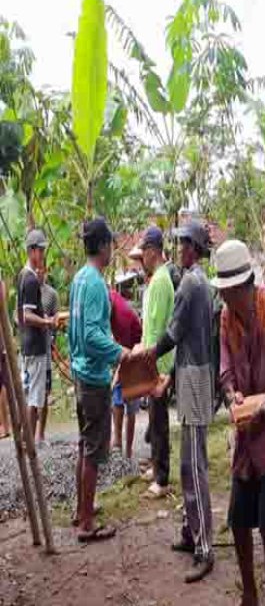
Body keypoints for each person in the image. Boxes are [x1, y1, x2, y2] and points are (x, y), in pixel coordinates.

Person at [214, 240, 265, 606]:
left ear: (242, 286)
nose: (226, 300)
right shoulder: (226, 318)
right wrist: (231, 390)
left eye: (229, 293)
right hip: (246, 433)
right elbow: (226, 366)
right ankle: (250, 592)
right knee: (239, 520)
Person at [134, 220, 215, 583]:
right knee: (187, 461)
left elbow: (172, 333)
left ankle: (204, 548)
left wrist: (150, 353)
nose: (180, 248)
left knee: (193, 464)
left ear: (196, 249)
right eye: (179, 243)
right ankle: (189, 530)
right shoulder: (195, 282)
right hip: (192, 373)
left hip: (195, 377)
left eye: (185, 244)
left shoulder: (191, 284)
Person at [68, 217, 127, 543]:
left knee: (84, 445)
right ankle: (86, 524)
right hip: (92, 377)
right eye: (111, 243)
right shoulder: (93, 283)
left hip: (80, 373)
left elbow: (76, 331)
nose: (112, 248)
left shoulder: (79, 279)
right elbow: (91, 335)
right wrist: (120, 353)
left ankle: (82, 509)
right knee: (93, 449)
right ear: (103, 245)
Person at [136, 227, 175, 498]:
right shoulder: (155, 280)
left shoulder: (161, 281)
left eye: (144, 254)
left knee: (159, 421)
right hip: (151, 358)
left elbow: (159, 329)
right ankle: (155, 464)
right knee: (153, 416)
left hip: (158, 362)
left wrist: (149, 357)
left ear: (152, 251)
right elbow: (148, 326)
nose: (142, 260)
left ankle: (162, 477)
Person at [16, 229, 55, 443]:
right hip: (36, 347)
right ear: (32, 251)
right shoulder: (30, 280)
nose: (42, 254)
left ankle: (26, 438)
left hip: (26, 344)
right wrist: (47, 321)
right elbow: (27, 315)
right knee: (35, 399)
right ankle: (29, 441)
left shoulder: (22, 276)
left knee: (29, 392)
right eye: (40, 250)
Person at [109, 286, 142, 459]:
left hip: (136, 353)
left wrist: (117, 375)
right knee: (117, 398)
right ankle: (117, 442)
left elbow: (127, 352)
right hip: (125, 351)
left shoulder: (121, 317)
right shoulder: (109, 296)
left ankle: (127, 451)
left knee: (131, 403)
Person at [38, 267, 59, 444]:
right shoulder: (26, 289)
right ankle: (28, 433)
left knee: (45, 392)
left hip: (44, 349)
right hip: (29, 349)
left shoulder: (51, 294)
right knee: (29, 392)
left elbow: (56, 320)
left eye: (41, 269)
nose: (38, 272)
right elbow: (17, 317)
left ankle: (41, 433)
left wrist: (52, 338)